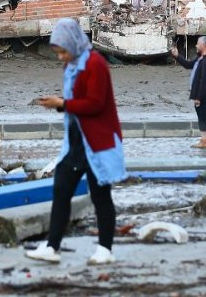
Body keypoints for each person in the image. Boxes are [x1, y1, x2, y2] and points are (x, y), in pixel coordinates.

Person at [26, 18, 125, 265]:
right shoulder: (72, 65)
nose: (61, 57)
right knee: (61, 189)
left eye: (62, 51)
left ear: (72, 43)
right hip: (76, 140)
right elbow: (76, 101)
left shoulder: (95, 64)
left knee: (101, 195)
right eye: (57, 52)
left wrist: (62, 104)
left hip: (96, 141)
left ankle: (105, 249)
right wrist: (60, 103)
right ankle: (52, 247)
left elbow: (95, 104)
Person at [170, 36, 206, 149]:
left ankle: (204, 141)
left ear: (204, 45)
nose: (196, 45)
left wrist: (198, 97)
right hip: (205, 94)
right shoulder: (201, 58)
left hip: (204, 95)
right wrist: (177, 56)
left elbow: (205, 81)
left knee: (202, 117)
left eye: (198, 44)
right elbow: (188, 65)